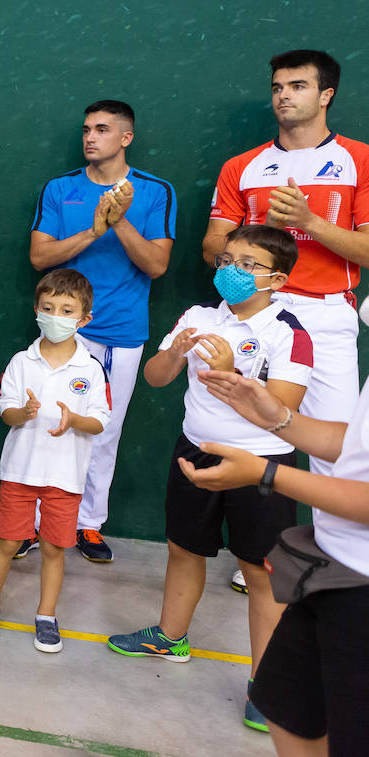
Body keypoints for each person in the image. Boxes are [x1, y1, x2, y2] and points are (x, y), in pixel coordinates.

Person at [108, 225, 311, 733]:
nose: (232, 272)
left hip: (261, 465)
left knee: (260, 573)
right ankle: (170, 635)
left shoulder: (291, 332)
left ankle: (267, 686)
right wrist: (175, 353)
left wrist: (234, 374)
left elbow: (283, 411)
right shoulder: (198, 316)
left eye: (248, 265)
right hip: (193, 452)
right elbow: (155, 377)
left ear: (277, 278)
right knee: (183, 548)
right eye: (227, 260)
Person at [202, 49, 369, 594]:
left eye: (297, 86)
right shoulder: (242, 167)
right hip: (258, 314)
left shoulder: (359, 161)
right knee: (253, 431)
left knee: (335, 444)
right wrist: (250, 256)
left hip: (327, 316)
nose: (283, 95)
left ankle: (336, 559)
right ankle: (258, 555)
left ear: (326, 95)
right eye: (277, 86)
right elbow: (212, 247)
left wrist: (309, 223)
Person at [180, 360, 369, 755]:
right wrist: (279, 419)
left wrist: (266, 474)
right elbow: (357, 445)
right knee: (285, 707)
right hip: (331, 573)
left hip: (359, 588)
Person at [27, 100, 175, 563]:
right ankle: (33, 525)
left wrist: (120, 220)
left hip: (119, 333)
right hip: (60, 327)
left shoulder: (155, 192)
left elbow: (156, 264)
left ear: (126, 137)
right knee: (44, 423)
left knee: (101, 432)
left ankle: (88, 524)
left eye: (103, 129)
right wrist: (94, 231)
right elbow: (39, 257)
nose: (90, 137)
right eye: (87, 129)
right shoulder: (60, 188)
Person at [0, 270, 110, 653]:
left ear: (85, 319)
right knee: (6, 542)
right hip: (20, 471)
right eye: (48, 308)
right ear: (36, 310)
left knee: (53, 548)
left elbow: (100, 421)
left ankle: (46, 616)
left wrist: (74, 421)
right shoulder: (21, 362)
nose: (56, 316)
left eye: (67, 310)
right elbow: (6, 413)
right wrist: (25, 413)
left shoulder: (92, 369)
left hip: (65, 478)